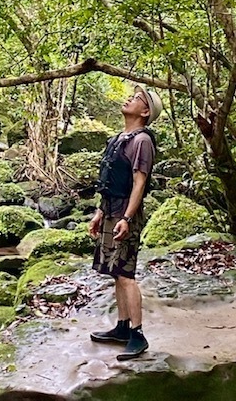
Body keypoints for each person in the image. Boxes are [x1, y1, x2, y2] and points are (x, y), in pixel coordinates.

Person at [88, 84, 162, 361]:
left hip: (125, 213)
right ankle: (122, 327)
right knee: (116, 271)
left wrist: (127, 218)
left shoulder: (142, 141)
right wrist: (100, 212)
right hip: (111, 210)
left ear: (145, 112)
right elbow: (110, 181)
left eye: (137, 99)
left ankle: (138, 334)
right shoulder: (119, 138)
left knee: (126, 274)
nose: (130, 99)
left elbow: (139, 183)